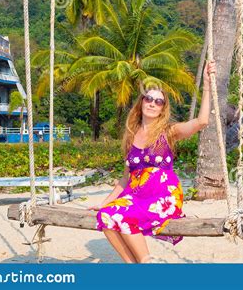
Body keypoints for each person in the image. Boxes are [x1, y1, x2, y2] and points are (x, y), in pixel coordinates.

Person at [88, 60, 217, 263]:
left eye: (159, 101)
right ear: (141, 102)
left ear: (162, 108)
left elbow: (201, 122)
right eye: (149, 98)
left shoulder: (168, 132)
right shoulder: (131, 136)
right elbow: (124, 180)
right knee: (105, 216)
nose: (152, 103)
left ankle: (147, 261)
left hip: (162, 197)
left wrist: (208, 86)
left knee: (122, 216)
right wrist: (104, 203)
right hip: (137, 197)